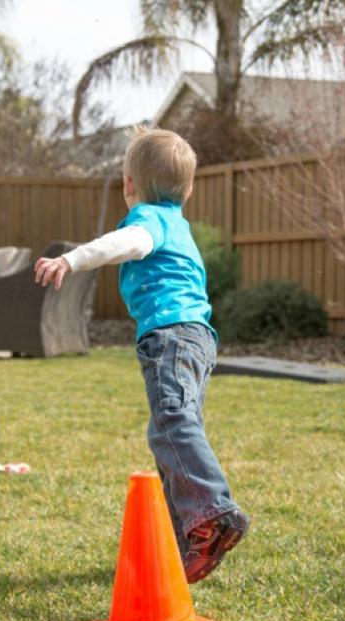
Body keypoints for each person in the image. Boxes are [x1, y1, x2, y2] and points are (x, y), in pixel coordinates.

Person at [34, 126, 250, 583]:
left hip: (171, 336)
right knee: (172, 435)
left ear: (128, 184)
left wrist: (72, 259)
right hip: (197, 337)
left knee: (171, 422)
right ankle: (181, 545)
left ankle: (213, 513)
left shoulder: (148, 220)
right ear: (188, 189)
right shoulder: (178, 224)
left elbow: (126, 244)